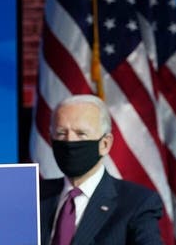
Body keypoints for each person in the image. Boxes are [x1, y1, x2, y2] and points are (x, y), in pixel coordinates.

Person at [40, 95, 163, 245]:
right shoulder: (32, 196)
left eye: (81, 134)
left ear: (104, 144)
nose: (70, 141)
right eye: (61, 133)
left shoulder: (137, 203)